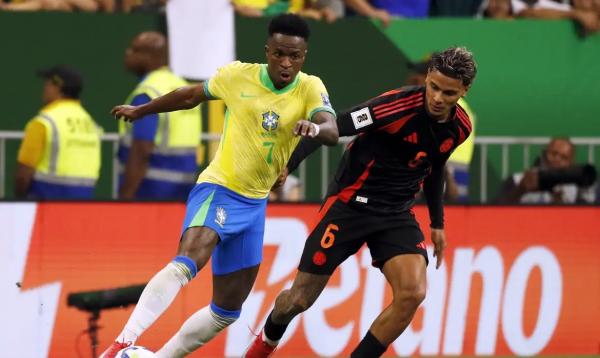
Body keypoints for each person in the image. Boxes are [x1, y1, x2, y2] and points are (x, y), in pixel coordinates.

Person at [100, 13, 338, 358]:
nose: (286, 63)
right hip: (220, 187)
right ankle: (122, 343)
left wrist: (314, 129)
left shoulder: (310, 86)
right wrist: (143, 111)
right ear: (267, 50)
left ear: (304, 57)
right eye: (279, 54)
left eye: (295, 56)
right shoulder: (237, 75)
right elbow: (189, 96)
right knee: (190, 258)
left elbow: (330, 128)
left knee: (227, 310)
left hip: (255, 204)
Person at [245, 46, 476, 357]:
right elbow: (334, 128)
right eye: (433, 87)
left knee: (413, 293)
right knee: (298, 300)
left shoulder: (460, 127)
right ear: (427, 78)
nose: (437, 98)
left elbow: (434, 169)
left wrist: (437, 222)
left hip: (396, 213)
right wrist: (290, 163)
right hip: (349, 204)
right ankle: (263, 345)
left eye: (448, 93)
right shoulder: (394, 106)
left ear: (464, 90)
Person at [117, 31, 202, 200]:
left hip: (148, 191)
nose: (128, 53)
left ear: (148, 57)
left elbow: (141, 150)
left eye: (134, 50)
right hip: (183, 191)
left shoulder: (148, 92)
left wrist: (125, 197)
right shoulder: (183, 86)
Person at [15, 65, 102, 199]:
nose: (44, 89)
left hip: (46, 198)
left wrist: (20, 201)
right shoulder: (90, 124)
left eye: (47, 84)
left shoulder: (43, 122)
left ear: (57, 87)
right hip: (84, 200)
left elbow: (24, 173)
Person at [406, 55, 477, 203]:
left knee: (452, 215)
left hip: (447, 167)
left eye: (420, 74)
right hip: (447, 165)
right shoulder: (455, 104)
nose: (413, 78)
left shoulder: (445, 106)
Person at [495, 137, 596, 204]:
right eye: (553, 154)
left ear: (571, 163)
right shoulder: (518, 179)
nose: (557, 159)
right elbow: (497, 209)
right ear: (545, 153)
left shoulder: (575, 189)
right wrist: (520, 189)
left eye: (564, 157)